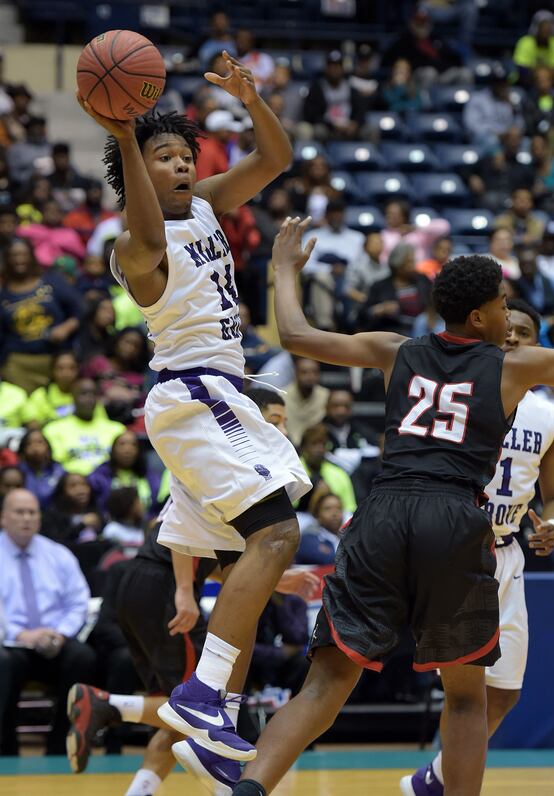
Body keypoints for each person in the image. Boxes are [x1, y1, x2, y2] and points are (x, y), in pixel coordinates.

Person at [230, 216, 554, 796]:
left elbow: (297, 336)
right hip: (452, 516)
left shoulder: (393, 350)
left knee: (326, 682)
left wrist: (281, 271)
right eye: (502, 306)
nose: (508, 318)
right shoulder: (512, 366)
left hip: (382, 511)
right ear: (479, 316)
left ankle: (250, 788)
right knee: (465, 697)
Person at [77, 50, 312, 769]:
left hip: (220, 395)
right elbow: (148, 237)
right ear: (136, 173)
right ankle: (201, 696)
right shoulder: (131, 246)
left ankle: (213, 730)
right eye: (165, 158)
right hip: (196, 392)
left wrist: (250, 98)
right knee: (278, 533)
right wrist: (123, 133)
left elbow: (275, 158)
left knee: (251, 556)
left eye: (186, 156)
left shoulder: (206, 205)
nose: (181, 166)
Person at [65, 387, 318, 796]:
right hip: (164, 581)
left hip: (144, 583)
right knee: (197, 706)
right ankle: (108, 704)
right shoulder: (225, 459)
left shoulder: (228, 463)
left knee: (187, 707)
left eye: (285, 421)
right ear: (248, 416)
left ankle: (140, 786)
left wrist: (277, 579)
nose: (281, 428)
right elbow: (173, 525)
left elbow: (227, 559)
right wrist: (184, 590)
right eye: (273, 419)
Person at [402, 298, 554, 793]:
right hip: (453, 550)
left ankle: (433, 778)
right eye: (509, 328)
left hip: (508, 551)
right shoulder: (455, 394)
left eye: (526, 331)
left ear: (539, 346)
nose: (515, 336)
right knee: (466, 695)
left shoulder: (550, 418)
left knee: (505, 695)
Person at [0, 488, 95, 755]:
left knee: (83, 657)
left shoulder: (58, 554)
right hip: (10, 644)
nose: (27, 518)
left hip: (54, 641)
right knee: (2, 663)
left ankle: (59, 746)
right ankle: (6, 749)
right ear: (3, 517)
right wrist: (21, 635)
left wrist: (60, 634)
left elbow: (78, 601)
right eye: (19, 512)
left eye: (32, 512)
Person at [0, 237, 81, 392]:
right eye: (14, 255)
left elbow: (80, 310)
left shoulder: (51, 282)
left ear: (31, 256)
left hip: (57, 362)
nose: (19, 260)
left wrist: (66, 327)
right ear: (7, 260)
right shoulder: (3, 295)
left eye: (23, 254)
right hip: (19, 366)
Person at [43, 378, 125, 475]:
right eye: (83, 394)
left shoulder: (117, 429)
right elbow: (55, 467)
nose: (89, 398)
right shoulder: (53, 429)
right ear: (72, 397)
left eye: (93, 394)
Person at [88, 430, 165, 517]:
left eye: (133, 445)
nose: (128, 449)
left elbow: (157, 507)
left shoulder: (151, 476)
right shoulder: (99, 476)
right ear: (113, 449)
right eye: (122, 444)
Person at [302, 50, 368, 141]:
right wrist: (331, 124)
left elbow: (360, 111)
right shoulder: (317, 88)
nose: (334, 70)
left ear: (342, 69)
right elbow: (310, 115)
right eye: (331, 66)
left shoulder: (351, 88)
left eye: (337, 66)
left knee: (369, 130)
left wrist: (355, 123)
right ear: (326, 68)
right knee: (319, 130)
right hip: (328, 128)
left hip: (348, 126)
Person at [299, 424, 357, 514]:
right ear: (303, 447)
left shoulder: (339, 474)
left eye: (323, 444)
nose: (320, 449)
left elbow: (349, 510)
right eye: (314, 444)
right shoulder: (291, 472)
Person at [21, 351, 80, 428]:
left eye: (71, 368)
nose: (66, 373)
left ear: (78, 370)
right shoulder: (41, 395)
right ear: (53, 371)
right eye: (60, 368)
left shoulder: (85, 395)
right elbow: (32, 425)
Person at [283, 357, 330, 448]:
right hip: (288, 446)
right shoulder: (282, 396)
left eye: (314, 372)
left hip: (317, 448)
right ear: (295, 374)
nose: (310, 376)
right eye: (304, 372)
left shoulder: (326, 396)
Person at [513, 9, 554, 86]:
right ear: (536, 29)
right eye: (543, 29)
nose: (546, 32)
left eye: (548, 29)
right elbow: (522, 70)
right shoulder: (525, 42)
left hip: (550, 83)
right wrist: (539, 74)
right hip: (525, 82)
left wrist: (544, 75)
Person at [17, 428, 65, 509]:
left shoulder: (58, 470)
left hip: (56, 515)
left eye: (39, 442)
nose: (35, 447)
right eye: (29, 443)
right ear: (23, 449)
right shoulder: (18, 472)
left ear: (48, 446)